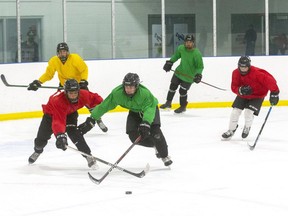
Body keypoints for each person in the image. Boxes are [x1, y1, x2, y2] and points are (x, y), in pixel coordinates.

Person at [77, 73, 173, 166]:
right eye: (126, 86)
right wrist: (93, 118)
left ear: (137, 86)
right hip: (135, 112)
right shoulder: (117, 93)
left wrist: (146, 122)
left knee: (156, 134)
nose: (128, 89)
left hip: (151, 111)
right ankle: (155, 145)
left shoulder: (144, 93)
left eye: (131, 87)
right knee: (133, 137)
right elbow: (104, 106)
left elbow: (150, 108)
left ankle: (165, 156)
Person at [27, 42, 108, 132]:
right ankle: (60, 124)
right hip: (64, 86)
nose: (63, 53)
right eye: (61, 52)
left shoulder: (75, 58)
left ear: (68, 52)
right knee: (59, 104)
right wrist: (38, 82)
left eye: (64, 51)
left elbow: (84, 69)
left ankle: (98, 120)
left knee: (89, 103)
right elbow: (49, 74)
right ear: (57, 53)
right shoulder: (54, 61)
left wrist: (83, 80)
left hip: (78, 85)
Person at [28, 79, 104, 169]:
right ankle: (38, 150)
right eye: (70, 93)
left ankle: (88, 156)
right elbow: (58, 121)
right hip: (51, 115)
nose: (73, 96)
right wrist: (60, 135)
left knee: (74, 133)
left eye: (75, 93)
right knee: (41, 139)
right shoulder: (57, 100)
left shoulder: (84, 94)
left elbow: (99, 101)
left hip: (70, 114)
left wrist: (94, 116)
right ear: (65, 92)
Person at [222, 56, 280, 140]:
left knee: (248, 112)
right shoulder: (235, 73)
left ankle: (247, 127)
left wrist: (275, 92)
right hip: (243, 95)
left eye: (245, 67)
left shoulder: (257, 73)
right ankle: (231, 130)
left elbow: (270, 81)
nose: (243, 69)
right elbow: (234, 86)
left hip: (257, 96)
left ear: (249, 66)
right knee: (235, 112)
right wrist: (240, 90)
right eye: (241, 67)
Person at [160, 34, 204, 113]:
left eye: (190, 42)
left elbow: (200, 67)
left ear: (193, 43)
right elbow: (176, 56)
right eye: (186, 42)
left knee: (182, 91)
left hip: (189, 77)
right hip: (179, 72)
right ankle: (168, 103)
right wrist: (170, 62)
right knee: (172, 87)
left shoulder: (197, 54)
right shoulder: (181, 48)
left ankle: (183, 106)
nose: (188, 43)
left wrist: (198, 75)